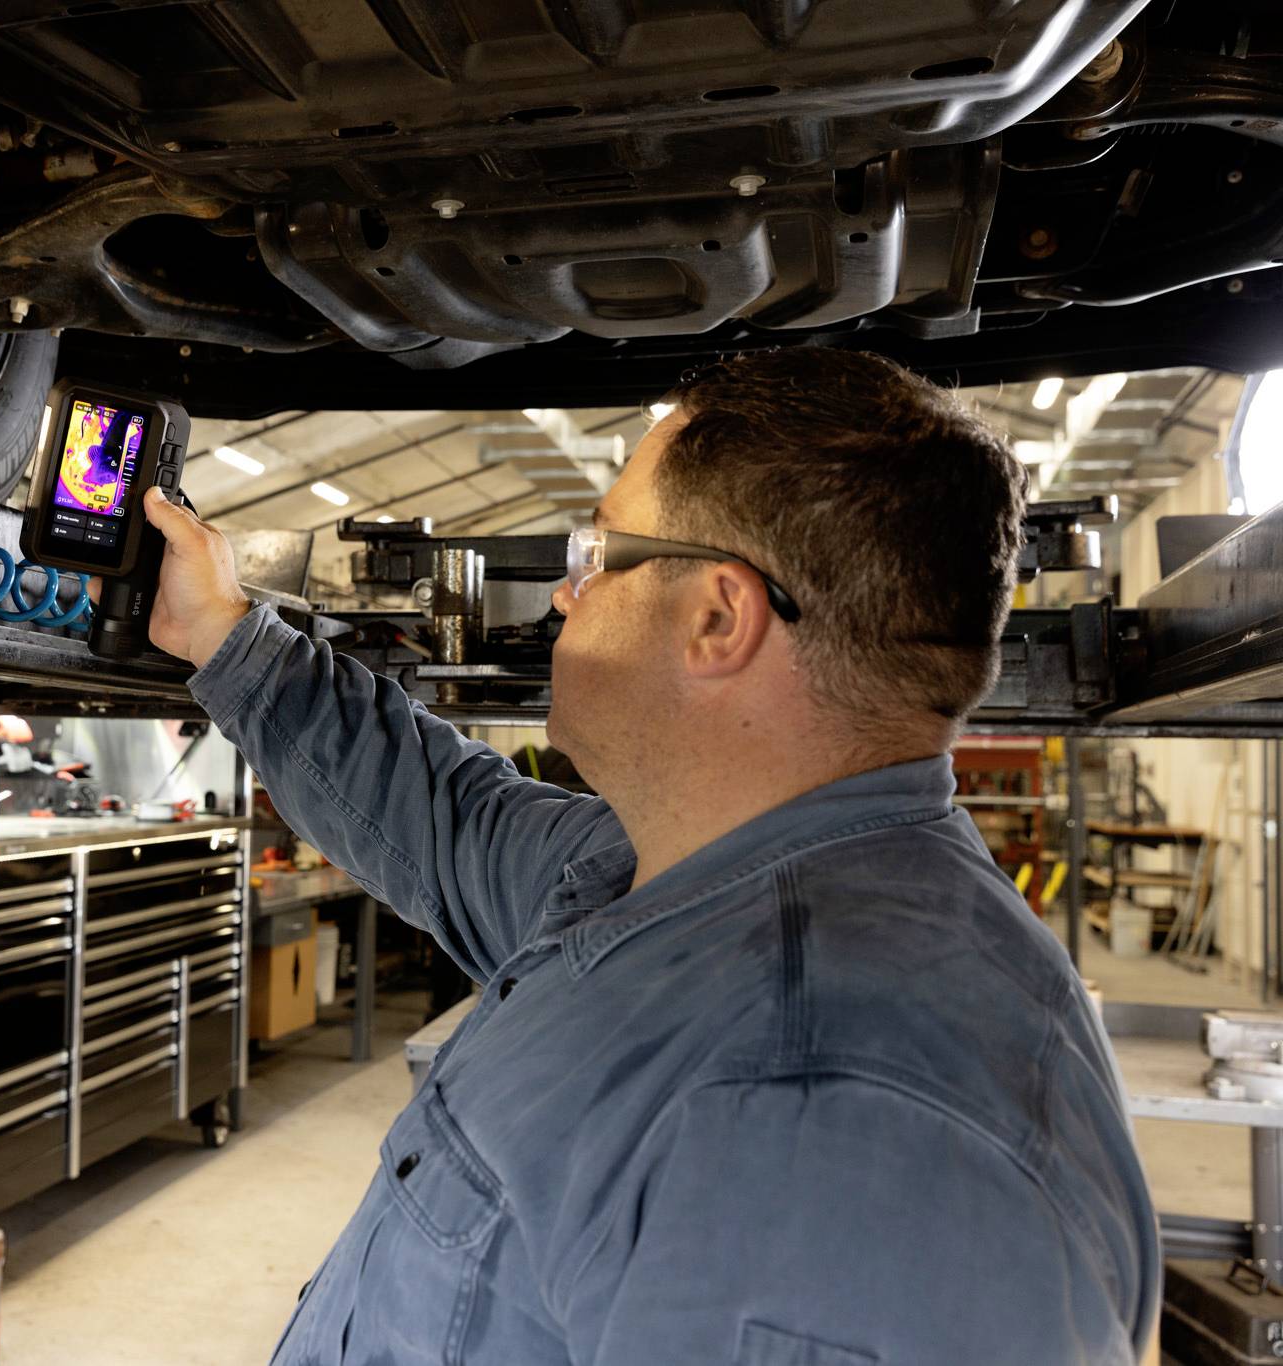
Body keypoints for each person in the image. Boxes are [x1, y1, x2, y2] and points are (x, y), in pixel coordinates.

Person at [116, 349, 1157, 1364]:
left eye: (600, 553)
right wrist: (225, 633)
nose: (565, 595)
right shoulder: (667, 871)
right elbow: (444, 815)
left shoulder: (824, 1112)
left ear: (716, 617)